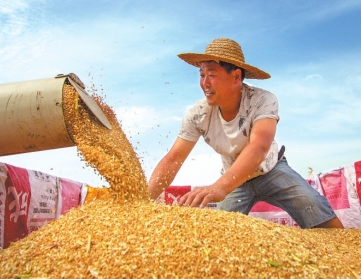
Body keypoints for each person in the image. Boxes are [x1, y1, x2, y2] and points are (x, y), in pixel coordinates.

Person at [147, 38, 344, 229]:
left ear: (236, 76)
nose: (205, 83)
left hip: (271, 170)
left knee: (319, 215)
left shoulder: (263, 100)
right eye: (202, 74)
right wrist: (142, 200)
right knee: (219, 232)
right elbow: (174, 158)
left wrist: (220, 187)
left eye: (212, 74)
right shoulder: (198, 114)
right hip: (234, 180)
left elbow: (259, 147)